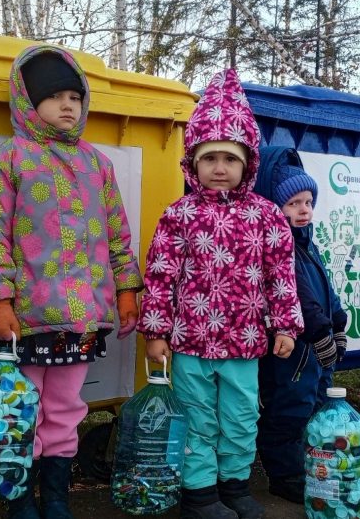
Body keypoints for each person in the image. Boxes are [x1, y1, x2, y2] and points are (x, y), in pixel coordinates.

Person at [0, 45, 142, 519]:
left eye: (75, 96)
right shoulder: (8, 161)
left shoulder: (98, 165)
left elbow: (118, 234)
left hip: (81, 320)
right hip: (26, 320)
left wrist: (126, 290)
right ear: (27, 100)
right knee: (21, 410)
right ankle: (20, 496)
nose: (68, 105)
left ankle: (57, 496)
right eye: (55, 96)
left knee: (65, 407)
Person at [139, 69, 303, 519]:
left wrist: (285, 323)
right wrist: (155, 332)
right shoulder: (180, 215)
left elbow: (280, 275)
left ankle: (234, 485)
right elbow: (160, 275)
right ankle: (199, 494)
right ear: (191, 164)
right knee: (197, 417)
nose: (219, 168)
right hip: (190, 341)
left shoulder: (267, 216)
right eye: (208, 158)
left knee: (240, 416)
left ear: (247, 163)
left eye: (229, 159)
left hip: (244, 341)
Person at [252, 146, 349, 504]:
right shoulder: (280, 249)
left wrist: (338, 322)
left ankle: (307, 463)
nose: (303, 210)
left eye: (308, 202)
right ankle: (285, 474)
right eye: (292, 204)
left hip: (316, 348)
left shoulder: (309, 245)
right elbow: (298, 297)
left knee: (316, 403)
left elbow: (325, 289)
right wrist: (321, 331)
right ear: (273, 207)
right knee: (289, 408)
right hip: (294, 346)